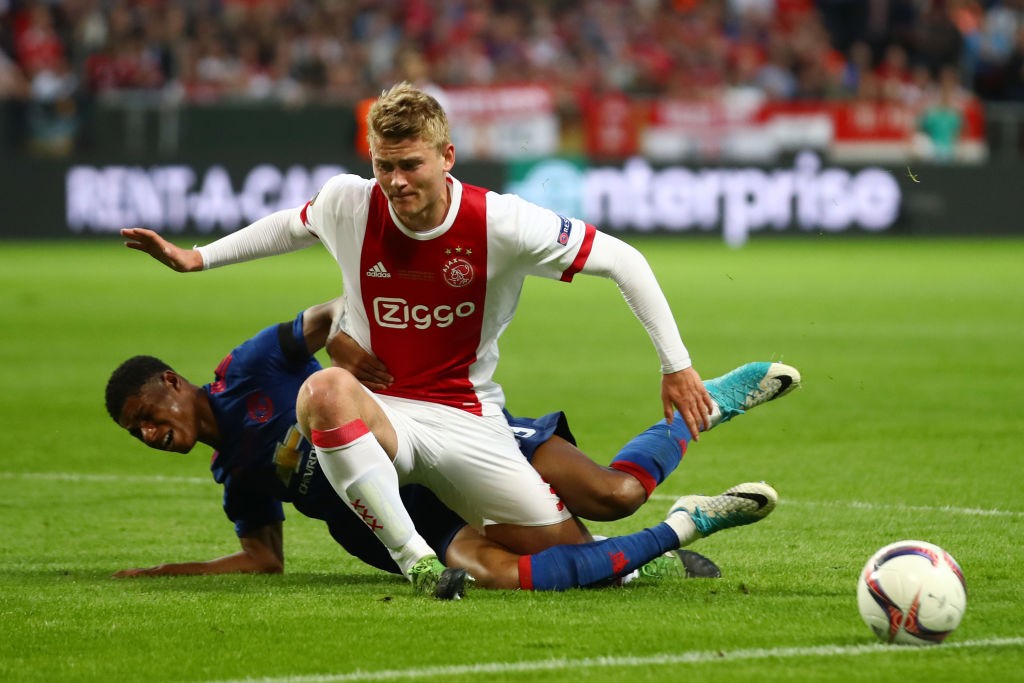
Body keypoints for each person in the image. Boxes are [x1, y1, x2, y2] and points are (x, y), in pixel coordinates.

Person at [119, 81, 789, 591]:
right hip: (388, 415)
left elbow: (625, 261)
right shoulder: (348, 202)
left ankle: (697, 430)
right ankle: (418, 559)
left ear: (448, 156)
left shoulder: (502, 223)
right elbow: (287, 226)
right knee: (325, 391)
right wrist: (195, 258)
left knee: (606, 507)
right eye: (384, 165)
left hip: (468, 414)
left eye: (409, 164)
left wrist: (676, 365)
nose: (396, 181)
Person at [105, 299, 798, 595]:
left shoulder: (249, 370)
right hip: (394, 514)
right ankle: (685, 529)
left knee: (616, 495)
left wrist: (343, 325)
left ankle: (703, 404)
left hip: (436, 428)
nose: (150, 433)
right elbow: (264, 558)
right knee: (518, 572)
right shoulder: (236, 475)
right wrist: (171, 570)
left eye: (148, 413)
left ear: (172, 382)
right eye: (138, 432)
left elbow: (318, 317)